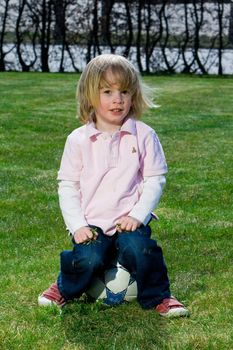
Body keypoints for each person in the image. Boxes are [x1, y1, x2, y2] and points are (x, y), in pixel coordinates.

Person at [38, 54, 189, 317]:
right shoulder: (78, 139)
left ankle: (160, 296)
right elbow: (68, 186)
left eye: (124, 91)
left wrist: (138, 215)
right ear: (90, 96)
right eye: (107, 91)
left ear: (134, 96)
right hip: (92, 221)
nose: (117, 99)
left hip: (128, 219)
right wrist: (78, 226)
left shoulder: (144, 135)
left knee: (141, 250)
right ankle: (64, 288)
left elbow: (155, 179)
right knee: (88, 258)